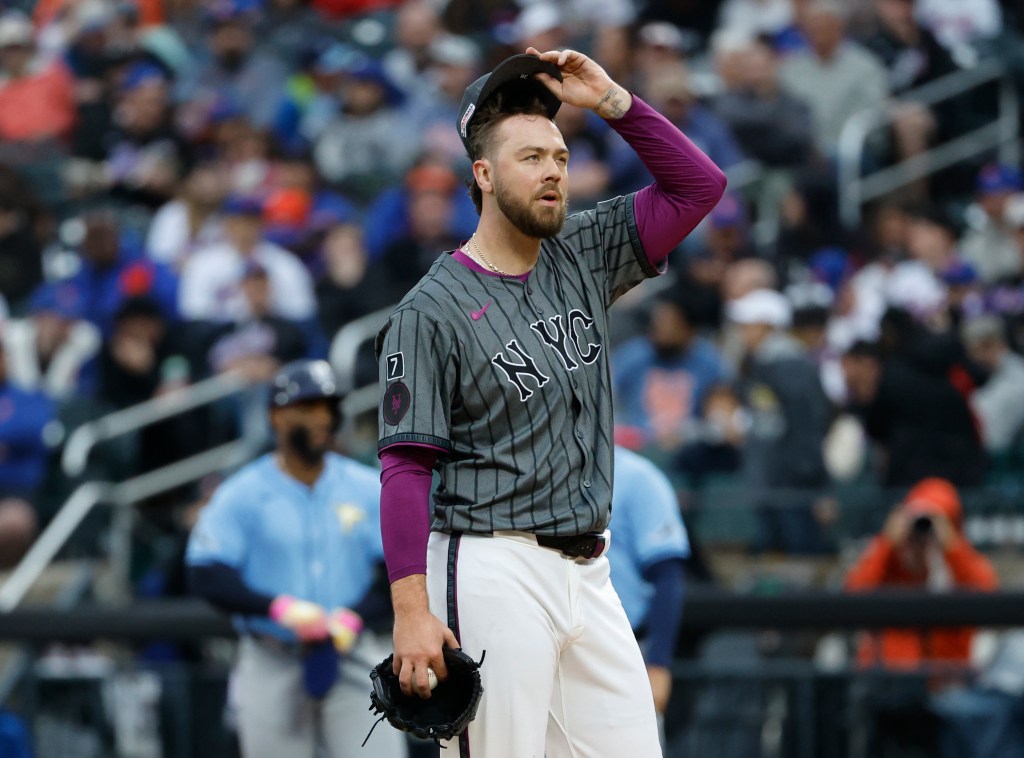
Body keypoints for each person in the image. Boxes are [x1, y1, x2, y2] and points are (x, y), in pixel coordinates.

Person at [374, 48, 726, 757]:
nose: (553, 171)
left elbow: (699, 187)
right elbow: (406, 468)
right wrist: (410, 611)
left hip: (590, 570)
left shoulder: (581, 251)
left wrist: (615, 103)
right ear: (483, 173)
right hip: (489, 565)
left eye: (560, 156)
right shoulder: (429, 310)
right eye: (531, 156)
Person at [185, 360, 406, 758]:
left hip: (353, 650)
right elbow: (205, 571)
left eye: (327, 408)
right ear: (276, 416)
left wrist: (355, 614)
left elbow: (394, 570)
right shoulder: (243, 492)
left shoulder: (365, 485)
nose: (322, 419)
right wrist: (277, 608)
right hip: (273, 655)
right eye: (307, 409)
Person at [844, 477, 998, 668]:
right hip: (890, 682)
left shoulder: (960, 562)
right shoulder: (885, 560)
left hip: (946, 682)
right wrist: (887, 544)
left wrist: (951, 547)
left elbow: (988, 598)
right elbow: (852, 597)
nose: (922, 535)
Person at [607, 445, 689, 730]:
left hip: (628, 646)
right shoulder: (543, 472)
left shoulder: (637, 477)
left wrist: (658, 663)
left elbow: (667, 575)